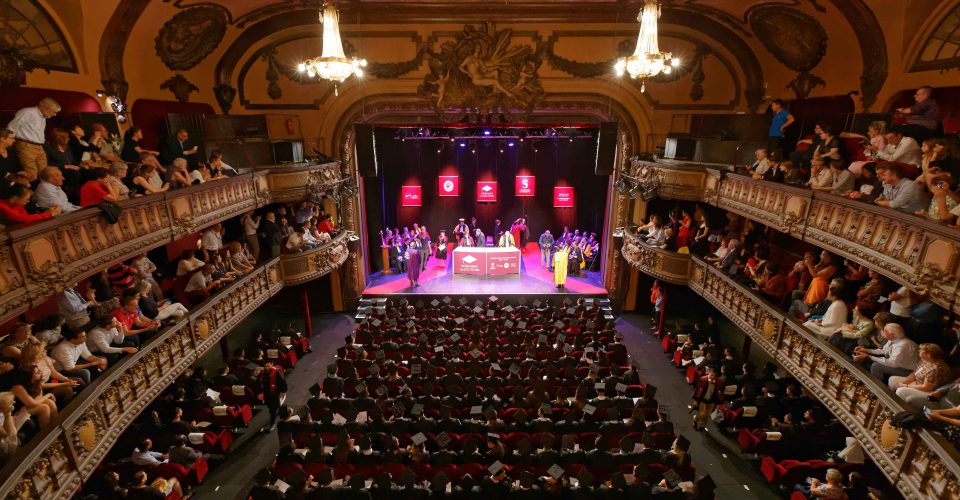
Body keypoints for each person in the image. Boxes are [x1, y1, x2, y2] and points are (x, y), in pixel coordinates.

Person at [5, 97, 60, 181]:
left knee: (45, 173)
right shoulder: (28, 112)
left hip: (39, 146)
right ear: (46, 108)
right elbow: (11, 128)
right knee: (31, 175)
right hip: (26, 145)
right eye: (54, 112)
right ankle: (25, 193)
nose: (55, 115)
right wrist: (8, 144)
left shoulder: (43, 116)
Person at [888, 343, 952, 408]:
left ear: (929, 354)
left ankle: (900, 408)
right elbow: (915, 374)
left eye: (921, 350)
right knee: (892, 380)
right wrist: (903, 383)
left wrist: (906, 386)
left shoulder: (935, 368)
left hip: (931, 394)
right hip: (919, 384)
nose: (919, 351)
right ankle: (891, 402)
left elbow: (926, 388)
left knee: (901, 391)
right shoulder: (924, 360)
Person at [853, 323, 919, 382]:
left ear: (892, 334)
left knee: (876, 366)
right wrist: (866, 350)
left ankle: (877, 387)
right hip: (900, 365)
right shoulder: (894, 339)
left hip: (910, 372)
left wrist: (869, 356)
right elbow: (884, 351)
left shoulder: (902, 346)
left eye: (885, 331)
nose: (882, 331)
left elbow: (892, 363)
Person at [258, 360, 287, 432]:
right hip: (267, 393)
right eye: (265, 366)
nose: (267, 368)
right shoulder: (262, 373)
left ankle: (272, 424)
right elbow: (259, 382)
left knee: (272, 410)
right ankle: (283, 412)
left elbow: (282, 381)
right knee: (275, 406)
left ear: (272, 365)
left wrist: (284, 391)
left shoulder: (276, 372)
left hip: (275, 393)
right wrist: (260, 392)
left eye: (268, 366)